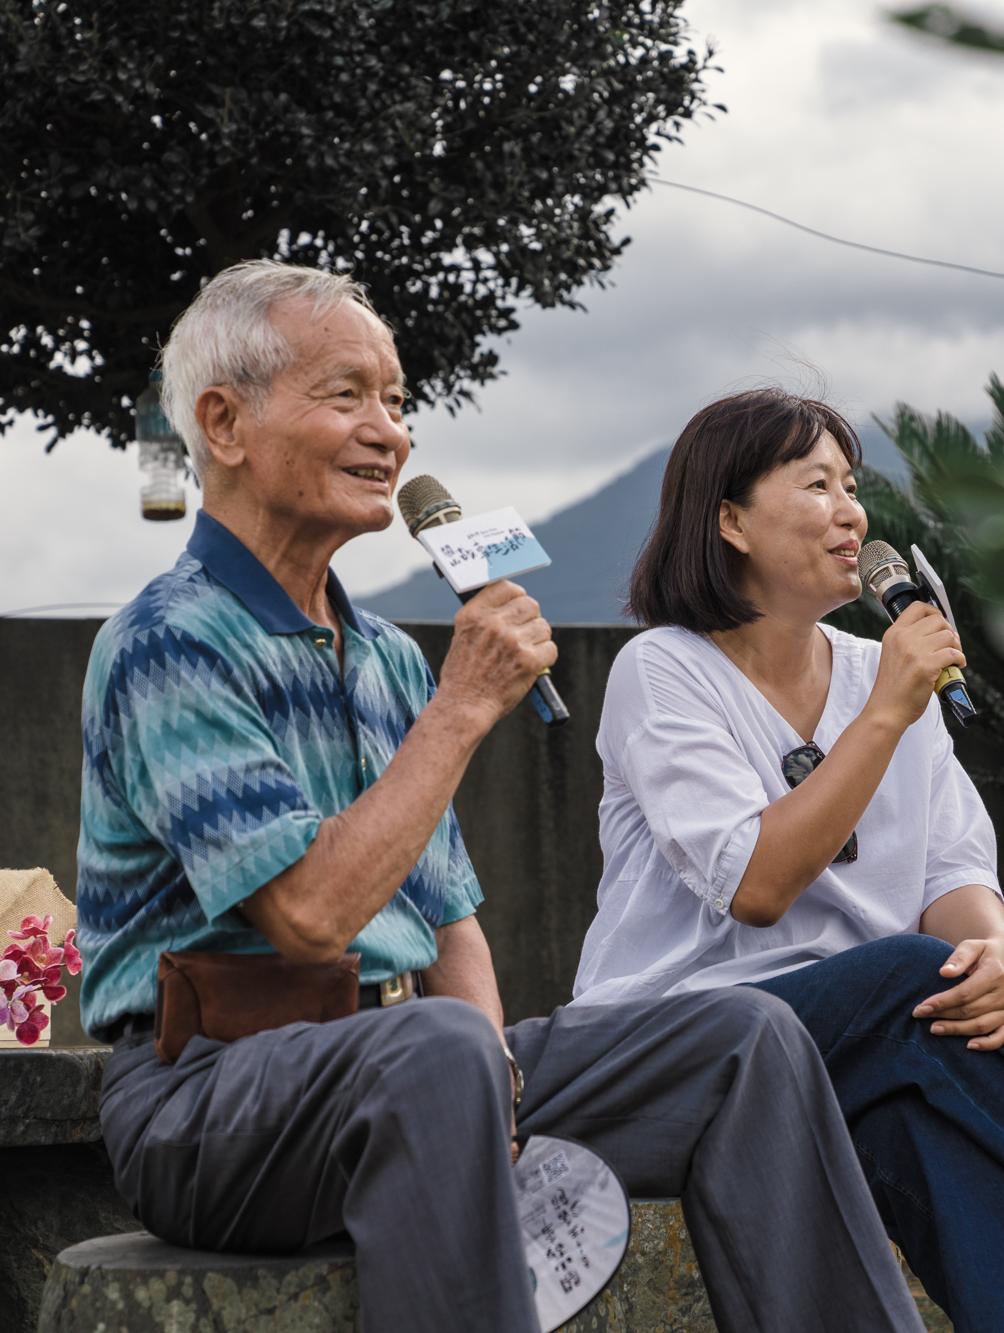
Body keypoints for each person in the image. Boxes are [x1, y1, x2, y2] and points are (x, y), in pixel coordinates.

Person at [76, 263, 930, 1333]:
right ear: (224, 421)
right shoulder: (169, 640)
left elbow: (449, 922)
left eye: (396, 402)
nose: (389, 432)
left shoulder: (384, 655)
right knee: (435, 1050)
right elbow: (307, 916)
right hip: (208, 1102)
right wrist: (464, 705)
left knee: (742, 1035)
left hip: (415, 1067)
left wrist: (496, 1074)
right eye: (347, 395)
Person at [570, 388, 1004, 1333]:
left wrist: (996, 957)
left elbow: (953, 875)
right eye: (815, 484)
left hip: (858, 1054)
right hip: (674, 1049)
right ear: (729, 519)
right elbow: (757, 885)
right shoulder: (666, 670)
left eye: (852, 485)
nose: (851, 511)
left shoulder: (879, 671)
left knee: (923, 1123)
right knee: (909, 979)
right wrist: (890, 709)